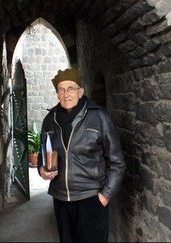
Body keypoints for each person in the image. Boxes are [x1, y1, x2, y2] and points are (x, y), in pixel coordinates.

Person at [38, 67, 126, 242]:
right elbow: (43, 154)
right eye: (61, 90)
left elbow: (117, 162)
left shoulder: (99, 117)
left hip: (91, 197)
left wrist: (105, 195)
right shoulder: (50, 120)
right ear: (57, 94)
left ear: (80, 91)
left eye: (71, 88)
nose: (66, 94)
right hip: (61, 198)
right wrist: (42, 169)